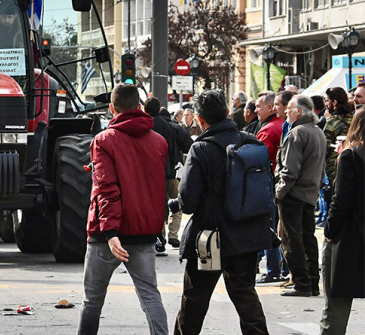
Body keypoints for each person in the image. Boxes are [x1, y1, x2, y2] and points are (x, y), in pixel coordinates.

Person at [169, 89, 271, 334]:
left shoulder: (201, 148)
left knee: (194, 300)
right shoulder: (252, 142)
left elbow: (189, 201)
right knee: (246, 297)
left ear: (201, 120)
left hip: (209, 238)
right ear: (227, 112)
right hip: (246, 234)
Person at [77, 84, 168, 335]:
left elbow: (106, 188)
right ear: (139, 106)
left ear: (111, 109)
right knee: (150, 296)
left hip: (107, 235)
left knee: (92, 302)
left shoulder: (104, 141)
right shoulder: (159, 142)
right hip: (144, 230)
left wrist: (110, 231)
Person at [319, 107, 365, 334]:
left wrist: (329, 230)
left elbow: (341, 200)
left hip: (348, 237)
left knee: (336, 306)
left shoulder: (351, 156)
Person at [275, 95, 326, 297]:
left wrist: (279, 192)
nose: (286, 111)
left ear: (299, 111)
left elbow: (290, 171)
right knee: (307, 238)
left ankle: (302, 283)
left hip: (294, 194)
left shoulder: (297, 133)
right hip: (309, 193)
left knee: (291, 240)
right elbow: (321, 169)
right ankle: (311, 282)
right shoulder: (316, 132)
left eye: (289, 108)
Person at [144, 97, 192, 252]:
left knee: (156, 206)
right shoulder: (173, 127)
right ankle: (173, 234)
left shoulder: (144, 126)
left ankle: (160, 238)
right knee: (176, 203)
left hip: (150, 174)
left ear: (145, 110)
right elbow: (189, 146)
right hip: (171, 171)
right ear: (159, 109)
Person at [254, 90, 288, 284]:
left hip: (269, 183)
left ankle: (273, 268)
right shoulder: (281, 125)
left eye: (259, 106)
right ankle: (281, 267)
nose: (256, 109)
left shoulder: (268, 129)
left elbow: (260, 159)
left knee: (270, 226)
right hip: (281, 183)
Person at [323, 87, 354, 204]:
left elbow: (324, 149)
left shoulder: (332, 122)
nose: (325, 104)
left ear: (334, 102)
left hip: (334, 170)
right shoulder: (355, 118)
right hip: (353, 167)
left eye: (327, 100)